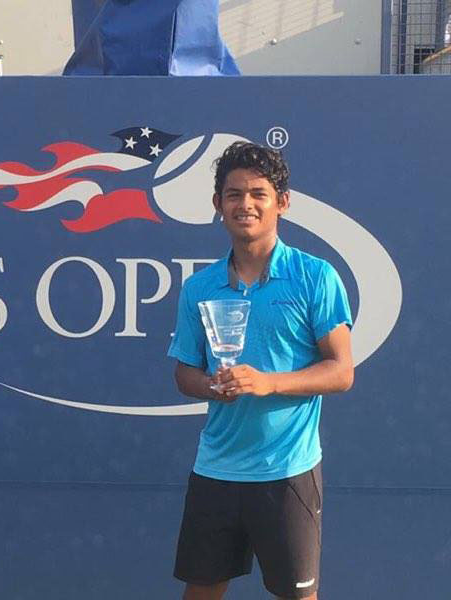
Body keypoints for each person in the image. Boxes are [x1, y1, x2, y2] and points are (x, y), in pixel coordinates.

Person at [167, 141, 353, 600]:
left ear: (281, 203)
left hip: (287, 470)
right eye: (233, 195)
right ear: (217, 205)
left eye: (257, 194)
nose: (244, 204)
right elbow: (185, 374)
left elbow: (341, 371)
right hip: (216, 469)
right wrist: (214, 386)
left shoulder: (316, 276)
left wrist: (269, 383)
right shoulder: (199, 287)